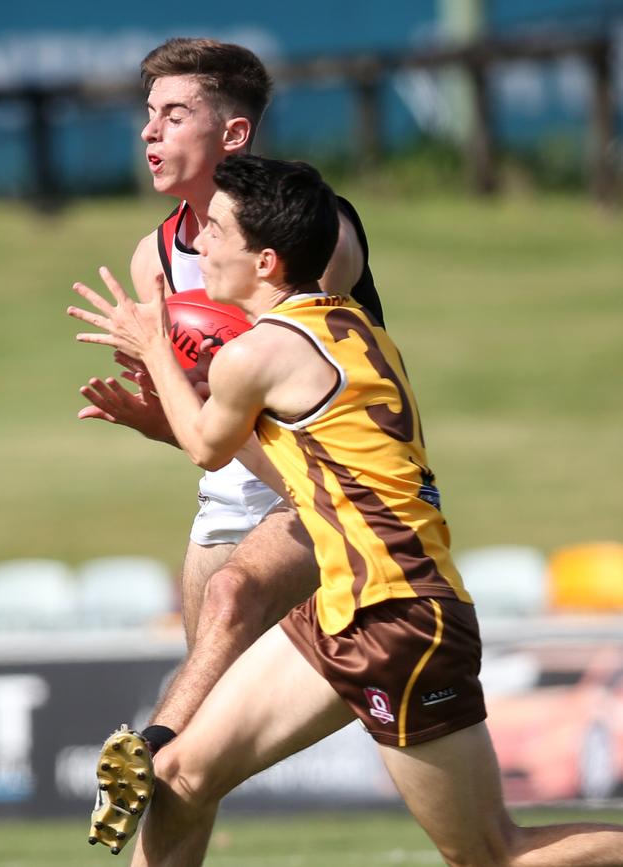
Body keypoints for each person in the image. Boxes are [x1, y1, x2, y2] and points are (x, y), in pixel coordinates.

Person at [69, 154, 623, 867]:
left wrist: (155, 347)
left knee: (491, 853)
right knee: (179, 774)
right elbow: (299, 477)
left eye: (217, 233)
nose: (200, 247)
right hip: (345, 606)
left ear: (265, 260)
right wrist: (165, 422)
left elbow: (210, 446)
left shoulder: (257, 353)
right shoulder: (349, 325)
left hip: (400, 617)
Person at [77, 37, 384, 755]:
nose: (150, 132)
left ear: (234, 134)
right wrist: (159, 417)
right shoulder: (152, 259)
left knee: (226, 608)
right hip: (227, 501)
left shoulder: (313, 233)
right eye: (148, 114)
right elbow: (208, 431)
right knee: (193, 762)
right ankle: (165, 757)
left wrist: (178, 358)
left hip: (324, 486)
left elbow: (291, 385)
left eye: (175, 115)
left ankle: (146, 741)